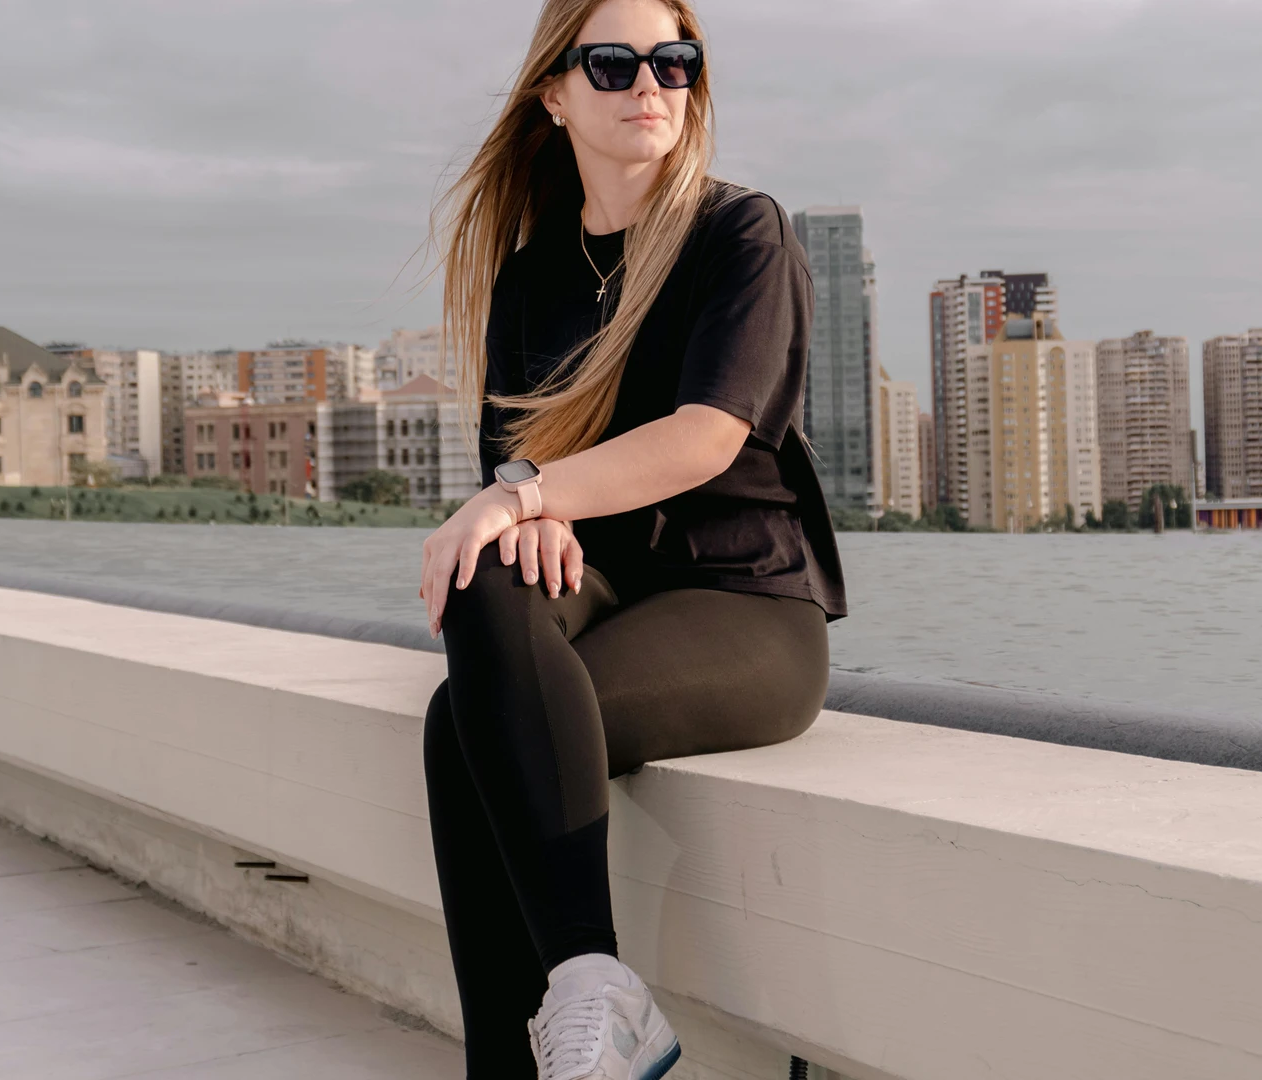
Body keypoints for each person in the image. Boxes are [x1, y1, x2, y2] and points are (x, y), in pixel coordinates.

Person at [419, 0, 846, 1076]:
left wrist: (527, 492)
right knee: (483, 591)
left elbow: (704, 438)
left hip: (745, 609)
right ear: (554, 96)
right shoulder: (531, 278)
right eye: (613, 63)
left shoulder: (739, 232)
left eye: (675, 60)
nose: (650, 83)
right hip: (605, 587)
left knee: (467, 732)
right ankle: (592, 998)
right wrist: (527, 509)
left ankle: (569, 1019)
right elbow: (508, 473)